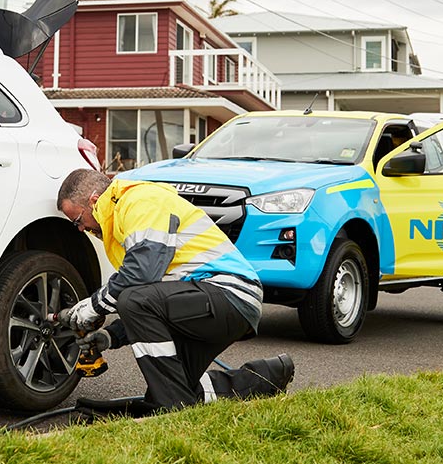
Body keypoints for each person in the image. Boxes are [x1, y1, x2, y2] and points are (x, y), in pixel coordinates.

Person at [53, 169, 294, 414]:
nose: (80, 229)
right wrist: (111, 336)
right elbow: (152, 302)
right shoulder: (122, 217)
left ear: (94, 201)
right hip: (212, 300)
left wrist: (92, 306)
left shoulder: (139, 201)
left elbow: (141, 277)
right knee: (177, 387)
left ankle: (171, 406)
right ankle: (269, 374)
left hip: (228, 294)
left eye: (78, 220)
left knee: (167, 391)